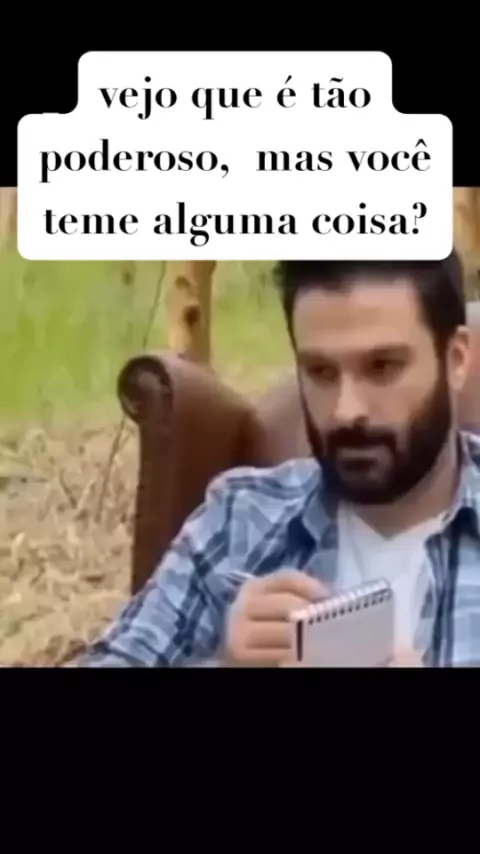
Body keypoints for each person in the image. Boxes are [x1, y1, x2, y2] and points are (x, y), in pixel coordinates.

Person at [81, 252, 480, 667]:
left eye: (382, 368)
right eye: (321, 372)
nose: (346, 411)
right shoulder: (237, 522)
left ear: (455, 359)